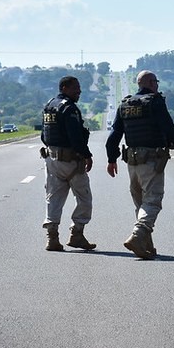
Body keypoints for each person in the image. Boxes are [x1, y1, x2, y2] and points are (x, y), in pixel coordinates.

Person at [105, 70, 174, 259]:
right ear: (151, 83)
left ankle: (146, 246)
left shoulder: (125, 104)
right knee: (152, 201)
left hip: (132, 161)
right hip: (152, 159)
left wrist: (111, 159)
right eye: (156, 82)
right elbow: (168, 126)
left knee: (141, 204)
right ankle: (138, 236)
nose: (157, 85)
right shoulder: (155, 101)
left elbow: (114, 135)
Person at [40, 75, 96, 252]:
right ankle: (77, 234)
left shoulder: (50, 106)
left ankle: (52, 238)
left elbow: (44, 135)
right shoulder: (69, 108)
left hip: (52, 160)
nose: (79, 91)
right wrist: (87, 155)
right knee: (84, 198)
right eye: (75, 88)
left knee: (53, 199)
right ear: (64, 88)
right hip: (71, 161)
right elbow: (75, 137)